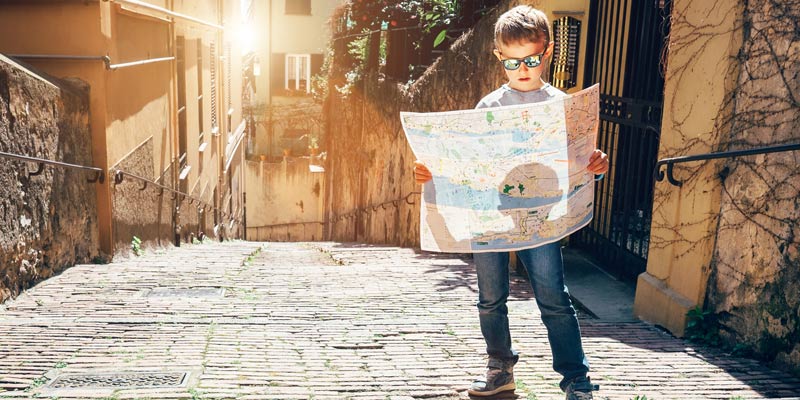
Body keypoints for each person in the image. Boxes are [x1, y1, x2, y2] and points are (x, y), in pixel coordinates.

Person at [413, 5, 609, 400]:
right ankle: (499, 367)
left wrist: (597, 165)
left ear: (548, 52)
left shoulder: (563, 106)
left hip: (542, 216)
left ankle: (576, 378)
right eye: (513, 62)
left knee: (554, 297)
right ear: (499, 57)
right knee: (490, 298)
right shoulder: (489, 107)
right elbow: (469, 164)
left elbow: (579, 162)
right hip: (490, 215)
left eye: (532, 60)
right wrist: (432, 172)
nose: (523, 69)